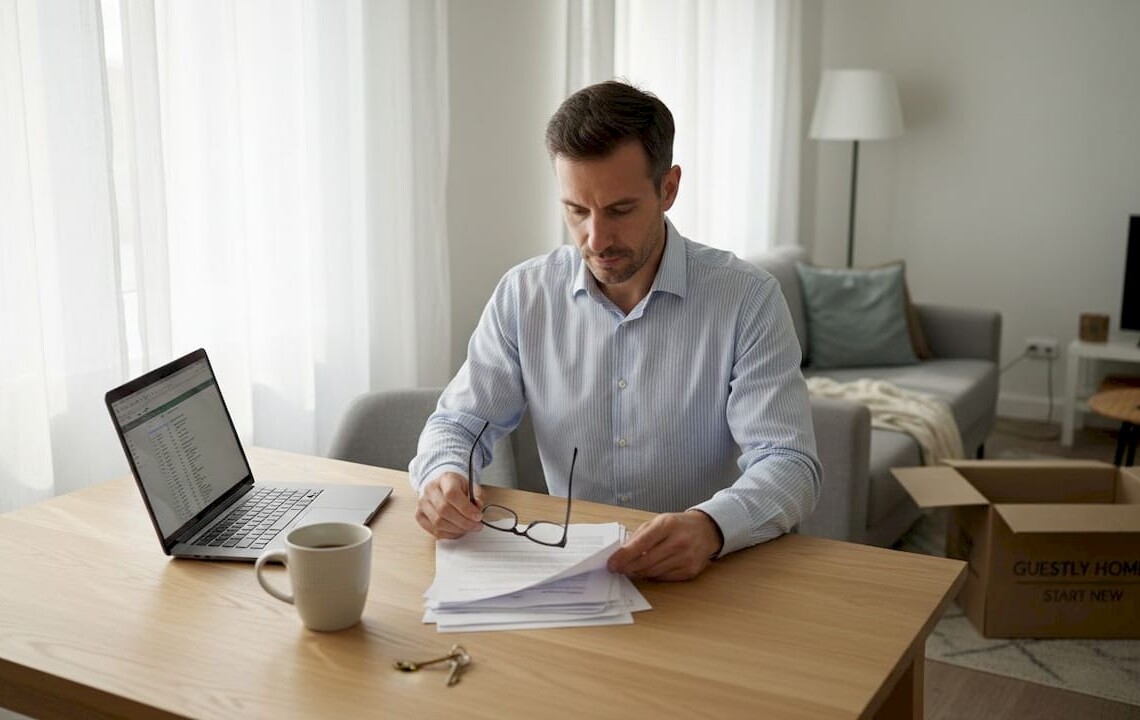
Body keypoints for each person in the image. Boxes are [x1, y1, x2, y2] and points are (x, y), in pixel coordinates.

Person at [410, 80, 820, 581]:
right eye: (576, 211)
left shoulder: (748, 299)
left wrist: (711, 526)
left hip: (708, 577)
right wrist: (442, 475)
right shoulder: (524, 295)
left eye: (620, 210)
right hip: (572, 573)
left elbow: (789, 462)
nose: (596, 238)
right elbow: (458, 425)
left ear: (668, 189)